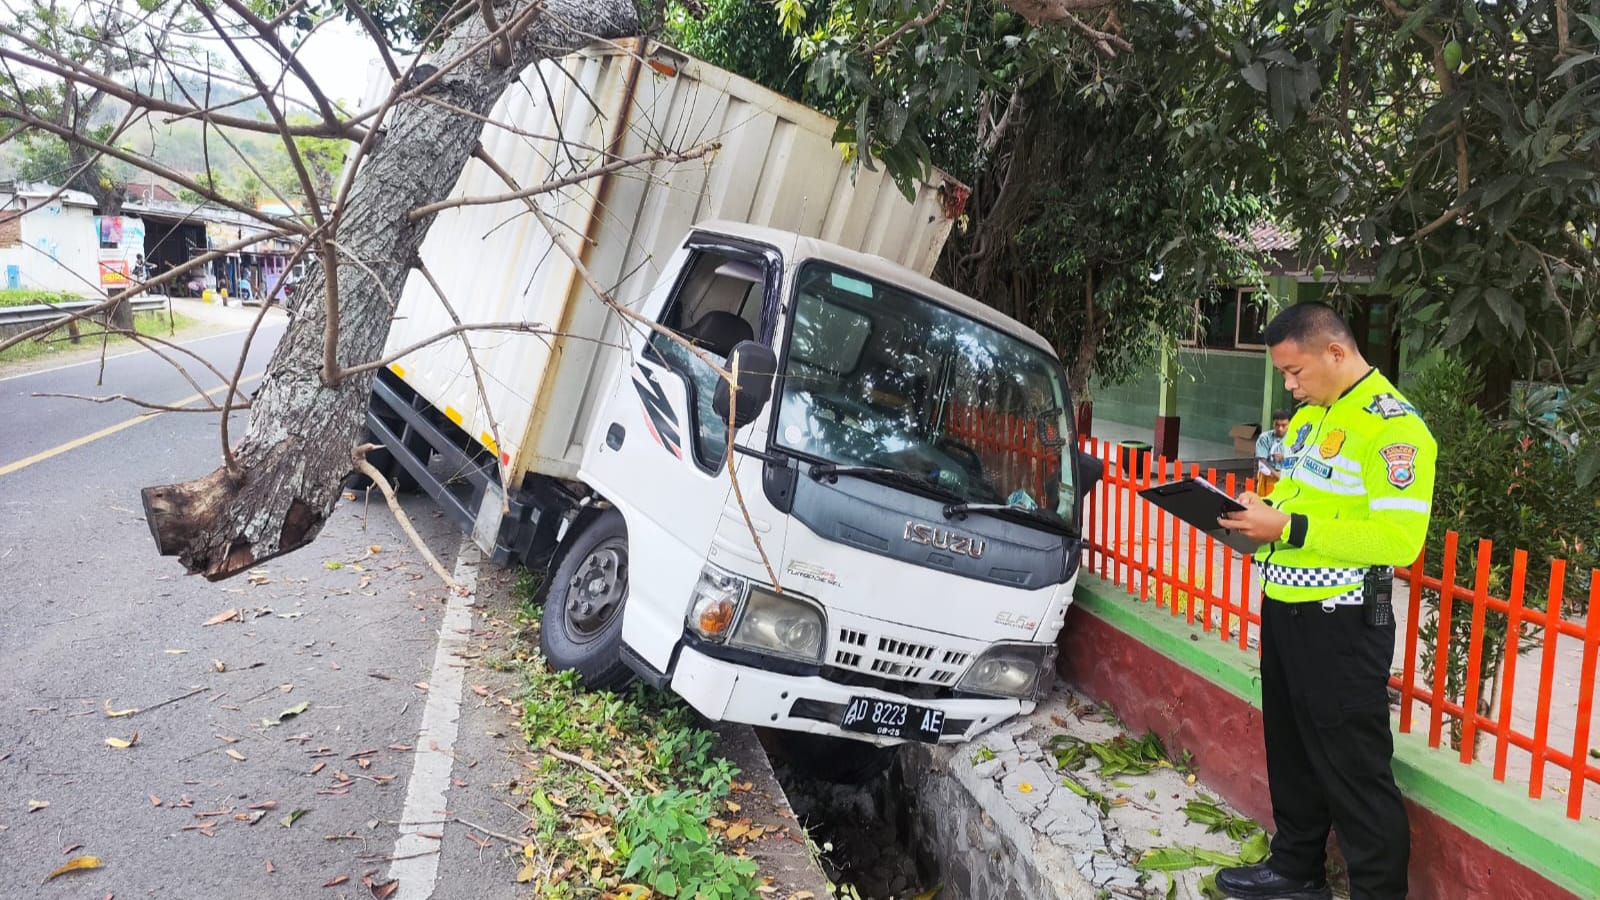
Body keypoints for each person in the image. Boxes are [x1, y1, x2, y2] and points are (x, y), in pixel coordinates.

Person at [1215, 302, 1436, 900]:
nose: (1289, 385)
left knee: (1354, 770)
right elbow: (1296, 496)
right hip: (1287, 608)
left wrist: (1285, 527)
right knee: (1289, 751)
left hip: (1343, 622)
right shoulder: (1315, 418)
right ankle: (1295, 869)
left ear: (1336, 352)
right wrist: (1252, 516)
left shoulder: (1396, 429)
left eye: (1295, 372)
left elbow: (1398, 541)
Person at [1255, 409, 1292, 495]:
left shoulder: (1295, 438)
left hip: (1287, 478)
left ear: (1290, 424)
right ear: (1273, 423)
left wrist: (1284, 457)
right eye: (1277, 425)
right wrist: (1276, 474)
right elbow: (1262, 461)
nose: (1280, 428)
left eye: (1284, 425)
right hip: (1267, 477)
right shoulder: (1264, 438)